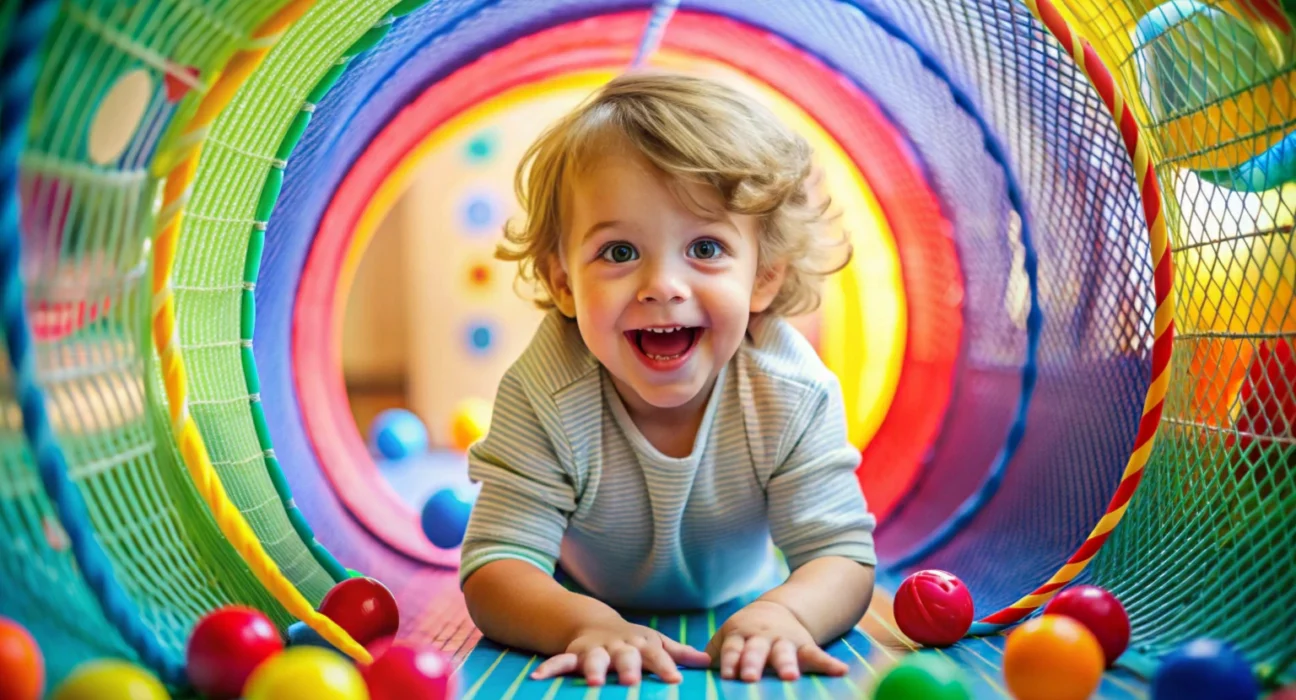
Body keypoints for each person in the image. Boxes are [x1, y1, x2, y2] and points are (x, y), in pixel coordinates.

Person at [459, 71, 877, 687]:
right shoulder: (545, 392)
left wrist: (786, 612)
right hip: (581, 594)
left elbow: (842, 555)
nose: (662, 285)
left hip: (743, 591)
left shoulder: (791, 391)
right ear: (564, 282)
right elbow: (495, 566)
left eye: (706, 248)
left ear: (763, 276)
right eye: (620, 252)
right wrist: (581, 623)